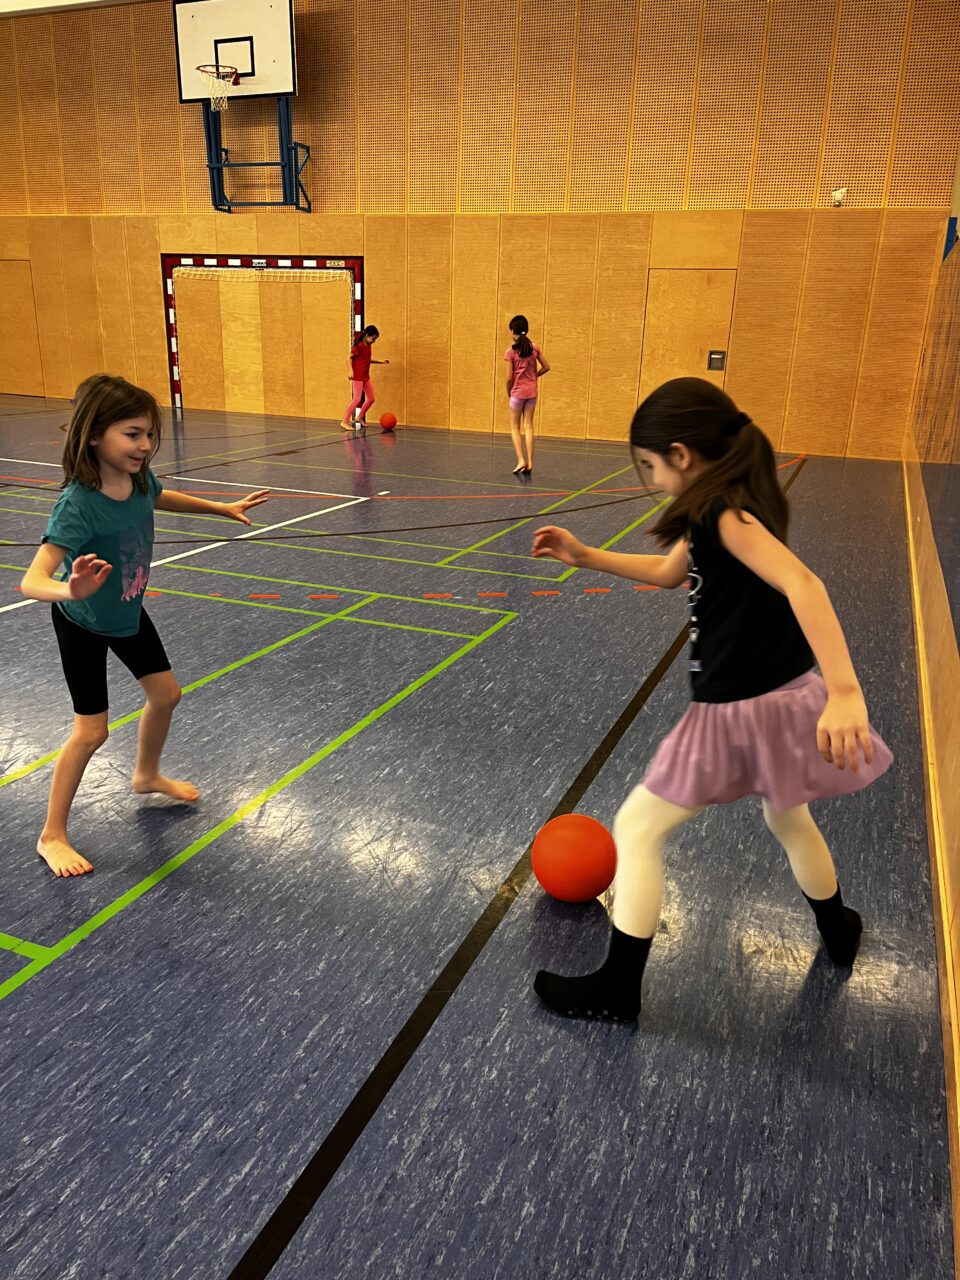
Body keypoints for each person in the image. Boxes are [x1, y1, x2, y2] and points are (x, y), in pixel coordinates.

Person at [530, 377, 893, 1023]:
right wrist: (586, 556)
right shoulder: (719, 512)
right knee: (789, 819)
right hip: (780, 697)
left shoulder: (725, 514)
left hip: (737, 711)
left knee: (637, 828)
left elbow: (805, 584)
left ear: (681, 454)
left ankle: (618, 990)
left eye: (651, 466)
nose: (651, 479)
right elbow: (670, 572)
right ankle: (837, 929)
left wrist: (845, 690)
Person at [20, 374, 269, 878]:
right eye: (132, 434)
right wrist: (71, 591)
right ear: (94, 435)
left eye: (149, 434)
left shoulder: (137, 480)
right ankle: (52, 835)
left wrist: (220, 508)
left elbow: (160, 496)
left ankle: (146, 774)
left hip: (127, 610)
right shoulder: (78, 505)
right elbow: (32, 580)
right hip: (83, 621)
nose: (144, 445)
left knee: (166, 695)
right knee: (91, 732)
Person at [504, 315, 549, 474]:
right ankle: (529, 462)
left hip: (517, 393)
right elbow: (546, 367)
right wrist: (533, 376)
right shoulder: (534, 348)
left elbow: (509, 378)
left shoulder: (510, 352)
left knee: (515, 427)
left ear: (512, 331)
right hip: (531, 393)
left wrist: (509, 392)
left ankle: (520, 460)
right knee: (529, 426)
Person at [341, 325, 389, 429]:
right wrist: (350, 370)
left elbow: (366, 360)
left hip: (365, 377)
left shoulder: (368, 346)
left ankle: (359, 417)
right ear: (367, 336)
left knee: (371, 399)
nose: (374, 341)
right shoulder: (359, 346)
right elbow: (348, 357)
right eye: (373, 339)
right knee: (356, 399)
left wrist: (380, 362)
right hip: (357, 377)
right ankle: (344, 421)